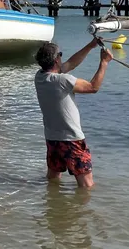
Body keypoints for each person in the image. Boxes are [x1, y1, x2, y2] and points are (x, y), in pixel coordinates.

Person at [34, 39, 111, 189]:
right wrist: (104, 63)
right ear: (56, 60)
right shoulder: (63, 80)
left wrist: (90, 45)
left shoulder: (40, 76)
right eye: (60, 55)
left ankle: (53, 207)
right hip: (71, 140)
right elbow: (93, 87)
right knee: (87, 185)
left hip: (52, 139)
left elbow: (69, 64)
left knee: (53, 179)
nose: (62, 59)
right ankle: (80, 212)